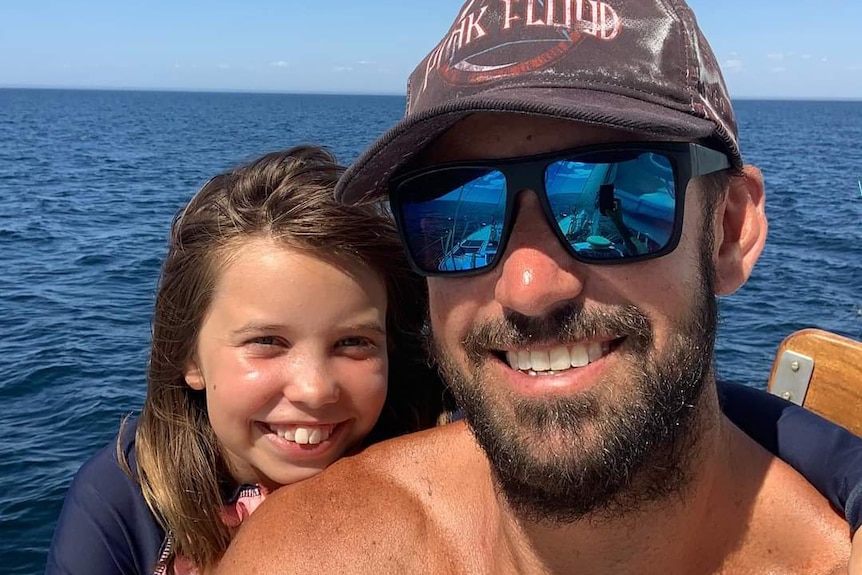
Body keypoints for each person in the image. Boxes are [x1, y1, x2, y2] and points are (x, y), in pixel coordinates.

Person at [219, 1, 862, 573]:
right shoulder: (318, 554)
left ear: (727, 231)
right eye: (458, 211)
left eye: (612, 196)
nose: (528, 287)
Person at [44, 146, 452, 575]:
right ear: (189, 357)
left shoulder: (448, 457)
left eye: (353, 342)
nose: (314, 390)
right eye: (268, 341)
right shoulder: (122, 503)